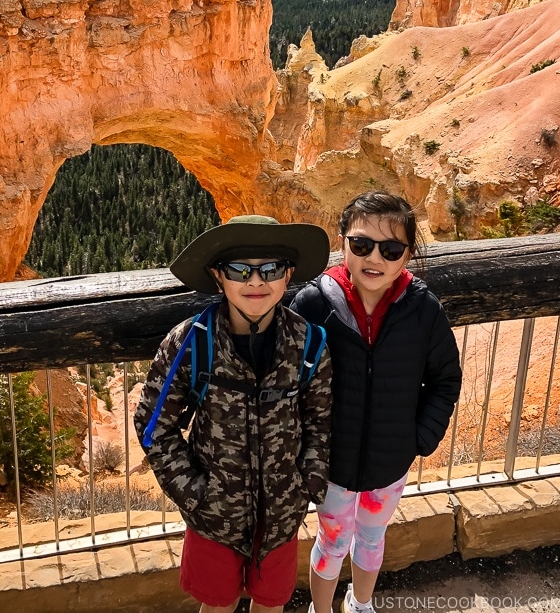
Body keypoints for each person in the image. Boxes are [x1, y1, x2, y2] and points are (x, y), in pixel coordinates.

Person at [134, 214, 333, 613]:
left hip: (280, 513)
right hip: (214, 517)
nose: (255, 282)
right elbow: (153, 425)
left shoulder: (309, 344)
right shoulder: (191, 343)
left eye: (271, 269)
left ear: (288, 273)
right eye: (240, 269)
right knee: (217, 604)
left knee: (271, 603)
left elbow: (320, 420)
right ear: (218, 276)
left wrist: (306, 484)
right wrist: (196, 494)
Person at [290, 192, 462, 613]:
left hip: (390, 460)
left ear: (407, 253)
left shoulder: (422, 308)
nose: (375, 258)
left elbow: (445, 378)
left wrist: (418, 438)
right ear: (342, 241)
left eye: (391, 249)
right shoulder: (313, 304)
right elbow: (289, 381)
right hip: (330, 463)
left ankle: (362, 603)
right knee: (332, 539)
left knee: (370, 536)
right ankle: (322, 608)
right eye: (361, 244)